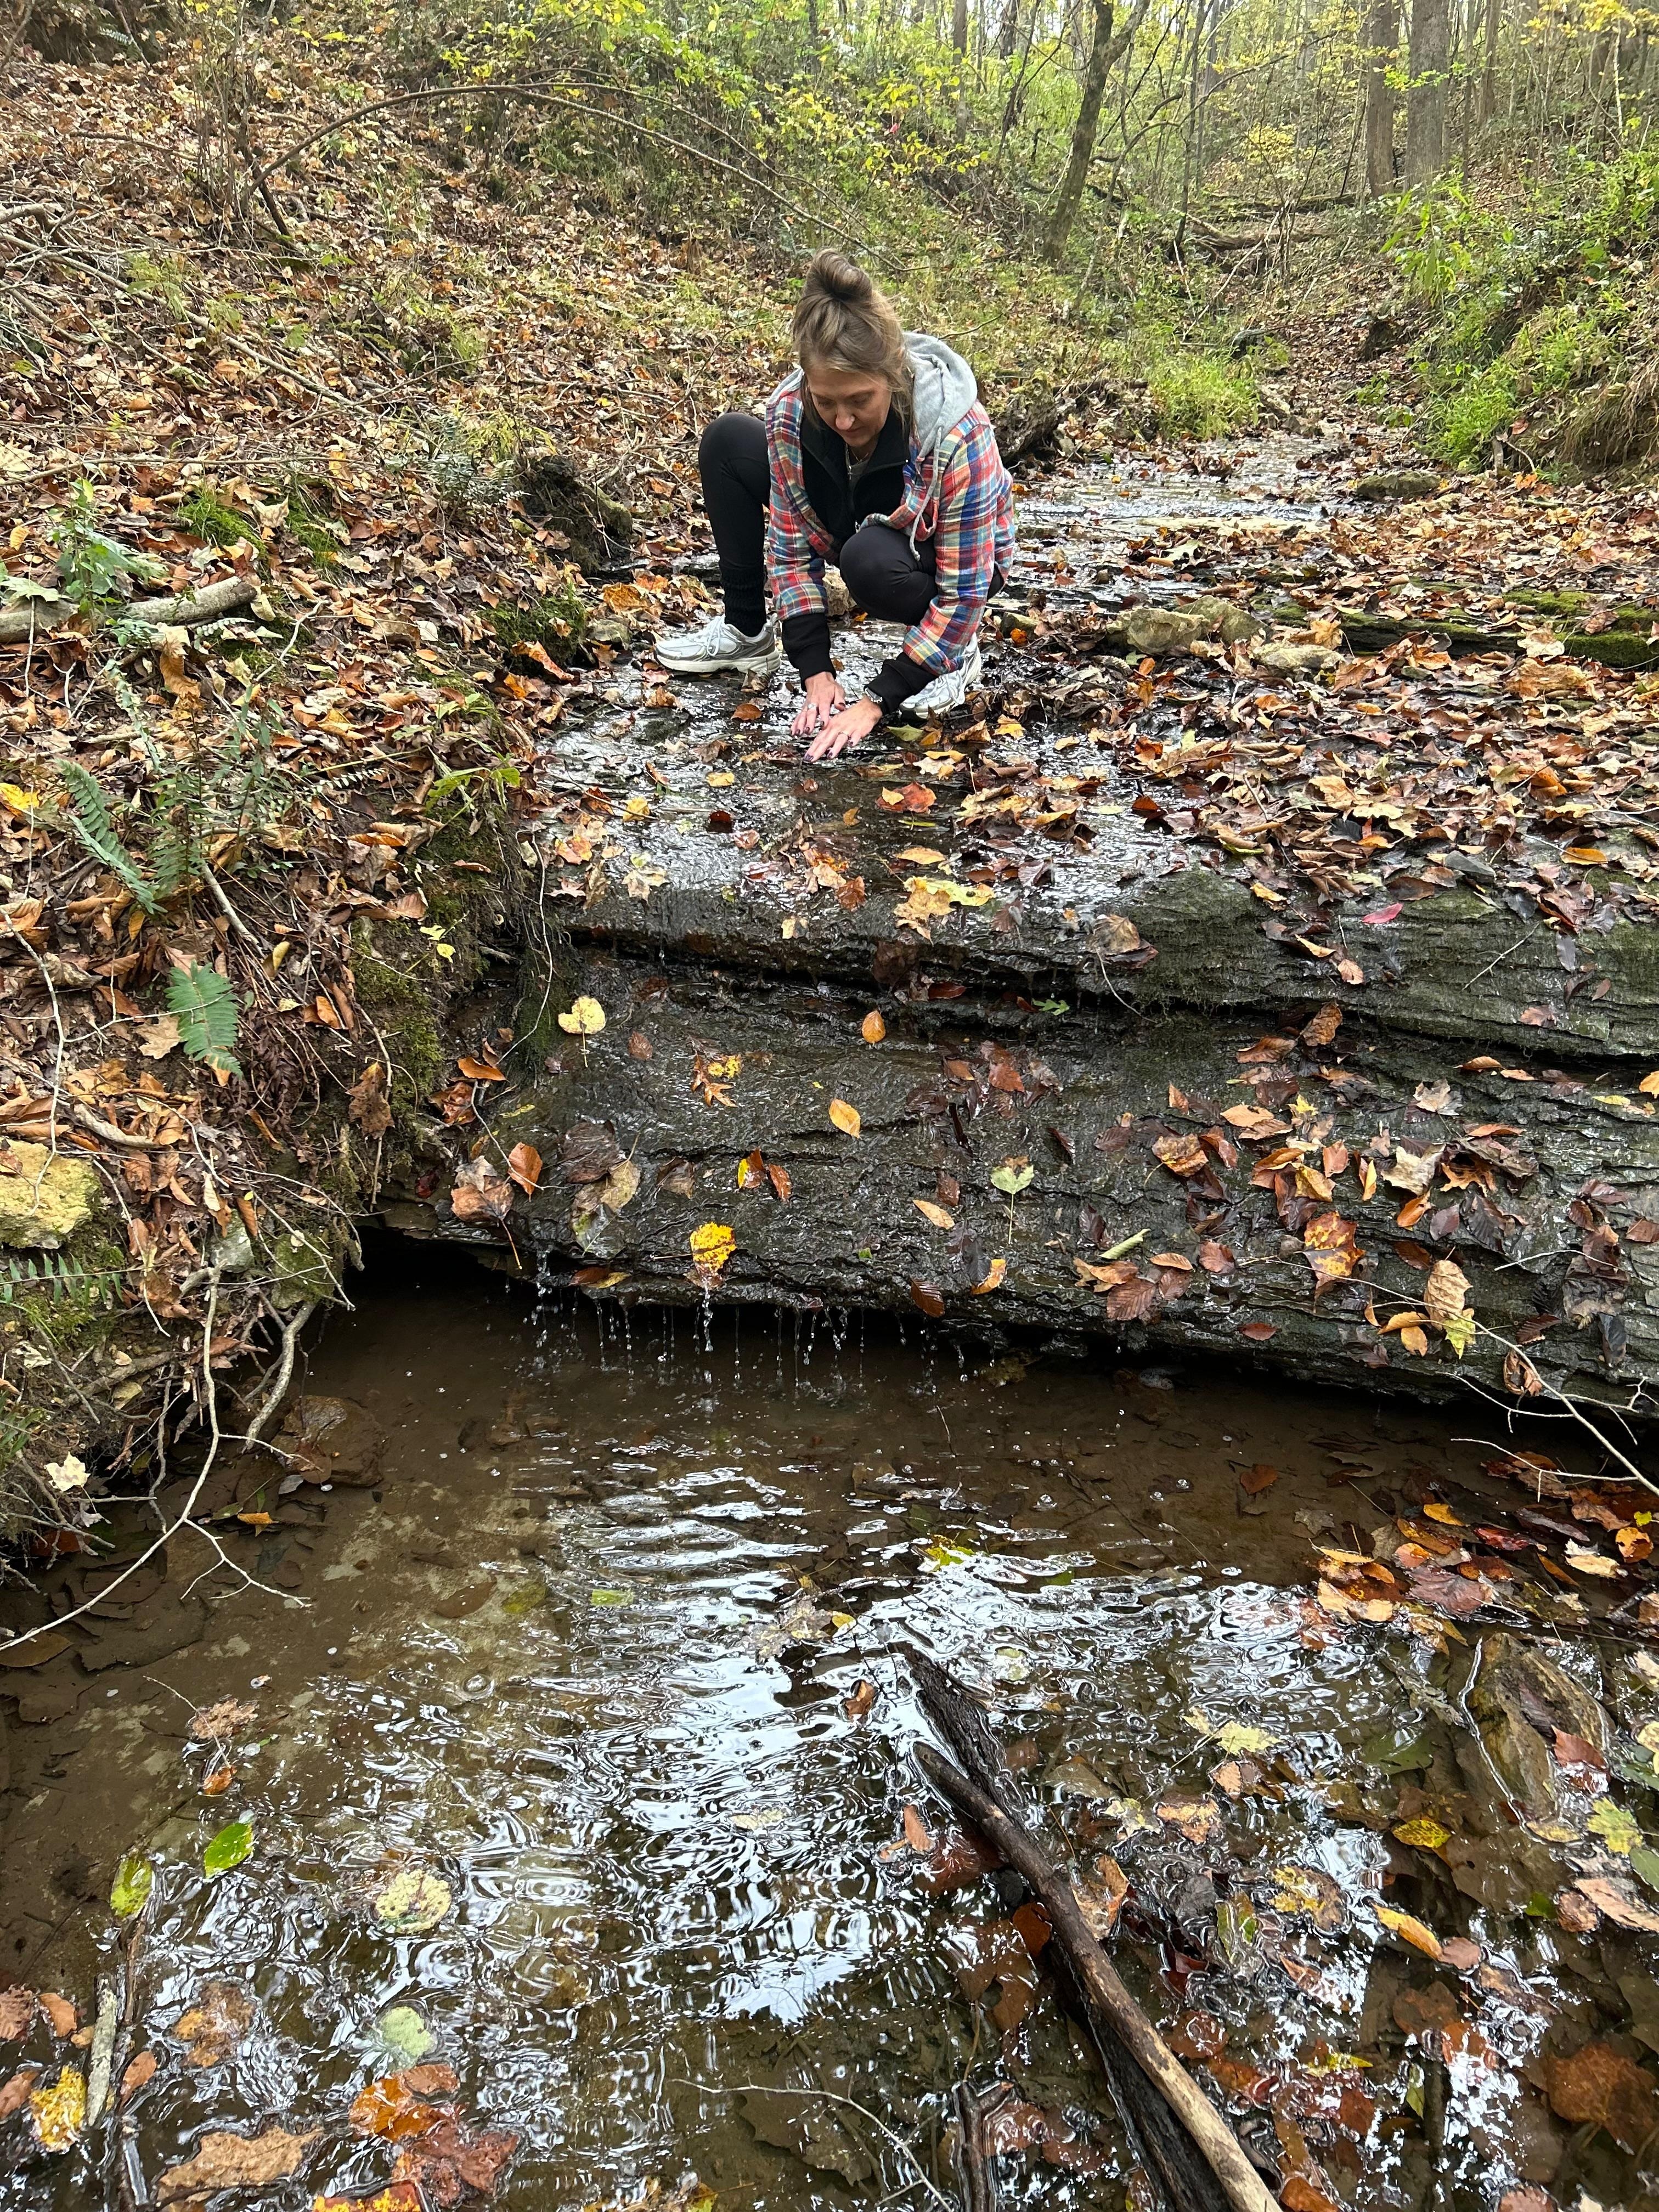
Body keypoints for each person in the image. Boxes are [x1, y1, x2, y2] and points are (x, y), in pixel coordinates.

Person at [656, 250, 1015, 761]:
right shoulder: (790, 415)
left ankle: (953, 656)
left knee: (867, 562)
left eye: (860, 401)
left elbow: (966, 591)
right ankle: (745, 632)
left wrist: (877, 700)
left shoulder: (957, 433)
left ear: (891, 377)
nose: (843, 420)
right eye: (827, 402)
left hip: (953, 562)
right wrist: (815, 670)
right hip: (852, 522)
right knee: (729, 441)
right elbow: (788, 552)